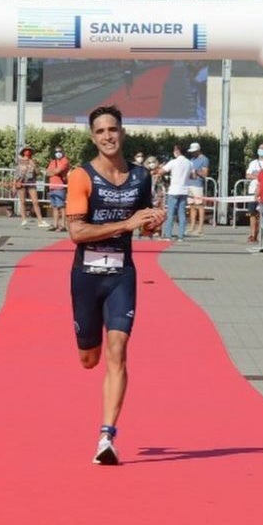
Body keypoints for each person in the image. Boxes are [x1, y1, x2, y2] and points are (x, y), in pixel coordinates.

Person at [66, 105, 166, 465]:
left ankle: (106, 436)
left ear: (122, 132)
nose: (107, 136)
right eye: (100, 131)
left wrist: (153, 221)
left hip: (122, 275)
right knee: (89, 359)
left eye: (113, 129)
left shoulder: (141, 176)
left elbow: (143, 224)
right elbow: (76, 232)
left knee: (119, 351)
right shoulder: (82, 176)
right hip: (86, 277)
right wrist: (127, 224)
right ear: (93, 137)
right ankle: (87, 351)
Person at [159, 144, 193, 241]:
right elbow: (193, 176)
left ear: (177, 151)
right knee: (181, 213)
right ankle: (181, 236)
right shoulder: (189, 163)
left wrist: (160, 167)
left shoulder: (173, 162)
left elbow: (161, 171)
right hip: (184, 190)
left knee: (170, 213)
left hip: (174, 190)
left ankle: (168, 235)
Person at [14, 146, 49, 228]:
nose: (28, 152)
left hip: (31, 182)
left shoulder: (33, 161)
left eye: (29, 151)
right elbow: (16, 173)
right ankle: (23, 219)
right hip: (21, 182)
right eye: (26, 150)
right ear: (23, 152)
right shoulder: (19, 161)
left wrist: (34, 165)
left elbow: (38, 172)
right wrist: (14, 184)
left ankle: (40, 220)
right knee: (23, 201)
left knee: (35, 202)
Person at [245, 144, 263, 243]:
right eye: (260, 148)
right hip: (252, 190)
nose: (262, 150)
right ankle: (252, 235)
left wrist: (258, 175)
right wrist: (258, 176)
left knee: (261, 214)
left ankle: (260, 235)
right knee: (252, 214)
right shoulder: (253, 163)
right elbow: (248, 175)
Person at [186, 141, 209, 235]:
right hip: (190, 184)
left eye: (194, 151)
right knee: (191, 206)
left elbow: (205, 173)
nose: (192, 153)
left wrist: (197, 172)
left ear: (198, 150)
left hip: (198, 185)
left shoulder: (204, 159)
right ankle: (192, 226)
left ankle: (200, 227)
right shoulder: (191, 160)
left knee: (200, 206)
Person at [46, 147, 70, 231]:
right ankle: (55, 224)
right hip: (52, 186)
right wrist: (53, 172)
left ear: (63, 152)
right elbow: (47, 173)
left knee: (61, 206)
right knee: (55, 207)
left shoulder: (65, 160)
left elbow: (58, 171)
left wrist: (53, 172)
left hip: (60, 186)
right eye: (56, 151)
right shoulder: (53, 161)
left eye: (60, 151)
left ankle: (63, 225)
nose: (58, 153)